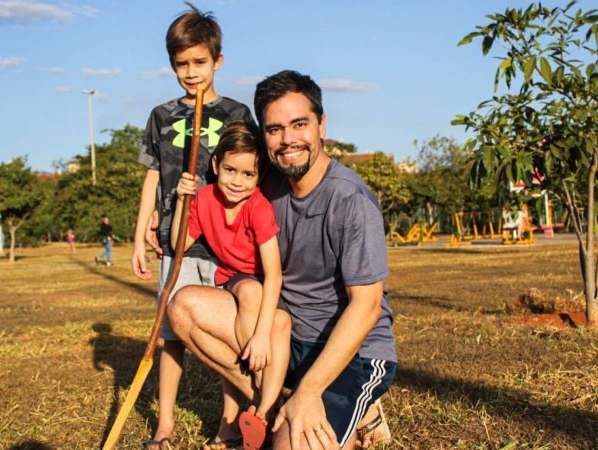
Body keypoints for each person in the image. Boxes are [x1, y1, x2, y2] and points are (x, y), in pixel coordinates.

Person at [168, 70, 398, 450]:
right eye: (275, 129)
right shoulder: (265, 183)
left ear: (322, 125)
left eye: (299, 124)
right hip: (287, 336)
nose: (288, 139)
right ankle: (272, 411)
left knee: (292, 446)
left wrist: (308, 390)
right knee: (184, 307)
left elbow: (368, 306)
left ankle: (353, 408)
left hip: (351, 353)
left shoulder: (349, 201)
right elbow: (214, 197)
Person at [130, 3, 255, 449]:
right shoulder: (161, 116)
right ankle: (165, 426)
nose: (191, 72)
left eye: (199, 62)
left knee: (229, 334)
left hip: (225, 243)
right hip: (175, 242)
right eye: (181, 64)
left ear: (217, 61)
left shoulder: (237, 112)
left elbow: (249, 174)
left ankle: (229, 425)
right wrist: (141, 233)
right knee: (172, 338)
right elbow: (151, 176)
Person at [171, 121, 290, 440]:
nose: (237, 181)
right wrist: (184, 200)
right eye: (230, 170)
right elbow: (177, 244)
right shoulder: (205, 198)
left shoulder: (258, 207)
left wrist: (262, 334)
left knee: (274, 319)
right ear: (215, 165)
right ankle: (266, 398)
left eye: (248, 174)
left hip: (266, 283)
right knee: (248, 291)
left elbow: (274, 273)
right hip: (234, 280)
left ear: (259, 176)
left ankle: (262, 410)